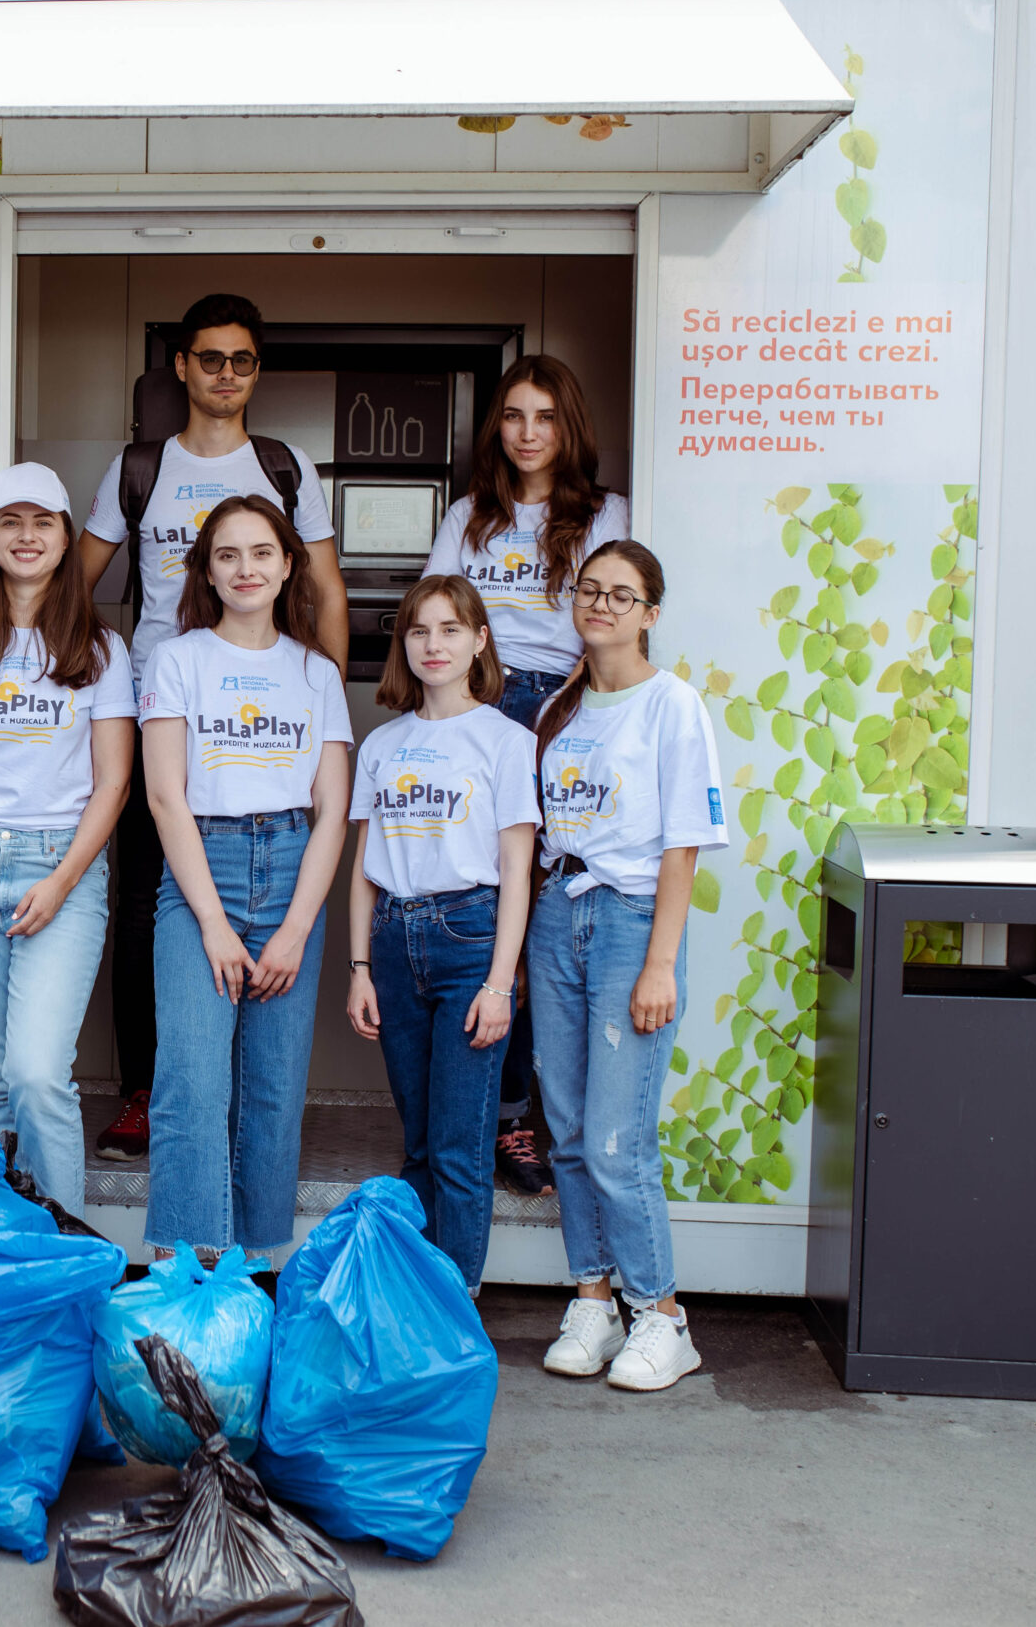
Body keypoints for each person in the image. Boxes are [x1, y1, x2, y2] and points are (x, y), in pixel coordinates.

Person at [77, 292, 349, 1164]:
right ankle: (147, 1095)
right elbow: (72, 589)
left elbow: (330, 591)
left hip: (260, 722)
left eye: (241, 360)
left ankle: (242, 1098)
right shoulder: (139, 467)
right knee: (151, 906)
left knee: (264, 900)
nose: (225, 374)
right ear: (183, 367)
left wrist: (324, 699)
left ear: (255, 372)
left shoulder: (285, 466)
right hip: (160, 716)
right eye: (209, 358)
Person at [422, 354, 629, 1200]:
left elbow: (614, 618)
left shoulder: (605, 512)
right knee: (484, 904)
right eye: (513, 415)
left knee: (546, 911)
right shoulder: (470, 517)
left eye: (545, 415)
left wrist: (573, 716)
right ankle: (500, 1116)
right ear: (496, 427)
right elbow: (435, 604)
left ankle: (543, 1114)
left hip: (567, 714)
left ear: (568, 424)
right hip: (484, 706)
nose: (529, 431)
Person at [528, 539, 726, 1392]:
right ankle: (594, 1299)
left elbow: (683, 845)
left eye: (623, 594)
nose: (602, 603)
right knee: (567, 1133)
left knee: (617, 1141)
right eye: (590, 589)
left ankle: (663, 1316)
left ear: (650, 612)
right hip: (555, 912)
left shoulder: (671, 705)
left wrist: (661, 963)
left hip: (630, 920)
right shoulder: (560, 711)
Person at [0, 463, 137, 1212]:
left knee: (39, 1072)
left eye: (43, 522)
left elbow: (114, 785)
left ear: (67, 537)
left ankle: (63, 1252)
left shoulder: (103, 652)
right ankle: (3, 1259)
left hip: (59, 870)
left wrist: (65, 878)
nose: (28, 535)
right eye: (11, 521)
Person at [139, 495, 353, 1259]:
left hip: (294, 870)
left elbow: (333, 809)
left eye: (262, 552)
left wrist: (296, 928)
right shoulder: (178, 659)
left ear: (289, 563)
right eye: (226, 554)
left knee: (271, 1092)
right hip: (206, 870)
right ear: (205, 568)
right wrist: (213, 922)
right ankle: (183, 1272)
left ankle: (256, 1269)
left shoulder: (316, 672)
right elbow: (165, 797)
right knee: (192, 1086)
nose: (245, 568)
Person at [343, 574, 540, 1293]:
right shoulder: (382, 743)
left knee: (460, 1147)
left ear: (479, 641)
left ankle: (456, 1309)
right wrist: (359, 967)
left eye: (451, 629)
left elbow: (518, 872)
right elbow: (364, 868)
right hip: (395, 941)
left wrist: (499, 983)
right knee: (420, 1143)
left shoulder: (508, 741)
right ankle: (417, 1297)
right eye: (420, 630)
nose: (434, 644)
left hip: (469, 941)